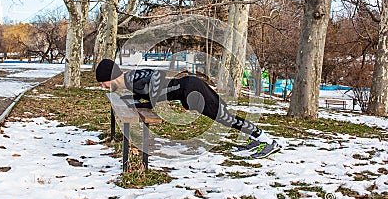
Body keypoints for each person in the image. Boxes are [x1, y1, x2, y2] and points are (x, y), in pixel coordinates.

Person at [95, 58, 280, 158]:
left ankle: (267, 141)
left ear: (111, 76)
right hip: (189, 90)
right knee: (225, 118)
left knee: (225, 119)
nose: (103, 86)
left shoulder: (132, 80)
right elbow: (150, 91)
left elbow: (157, 75)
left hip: (193, 90)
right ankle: (256, 137)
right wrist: (142, 101)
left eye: (103, 82)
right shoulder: (129, 80)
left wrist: (150, 98)